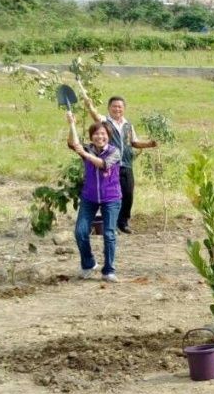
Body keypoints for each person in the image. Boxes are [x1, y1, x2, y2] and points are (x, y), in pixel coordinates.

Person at [83, 94, 158, 234]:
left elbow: (134, 142)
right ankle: (110, 223)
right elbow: (95, 116)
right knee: (112, 195)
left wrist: (150, 144)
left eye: (120, 107)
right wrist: (89, 105)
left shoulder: (128, 125)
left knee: (128, 194)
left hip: (127, 164)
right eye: (114, 106)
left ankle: (123, 222)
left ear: (124, 109)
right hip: (111, 164)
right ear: (109, 108)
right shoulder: (105, 122)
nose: (117, 109)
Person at [67, 112, 123, 282]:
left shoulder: (115, 151)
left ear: (108, 137)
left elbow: (102, 164)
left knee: (109, 233)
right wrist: (72, 124)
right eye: (96, 134)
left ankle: (108, 270)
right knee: (80, 232)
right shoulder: (88, 148)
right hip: (89, 197)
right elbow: (73, 143)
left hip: (111, 198)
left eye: (103, 134)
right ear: (91, 137)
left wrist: (85, 155)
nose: (100, 137)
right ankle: (88, 263)